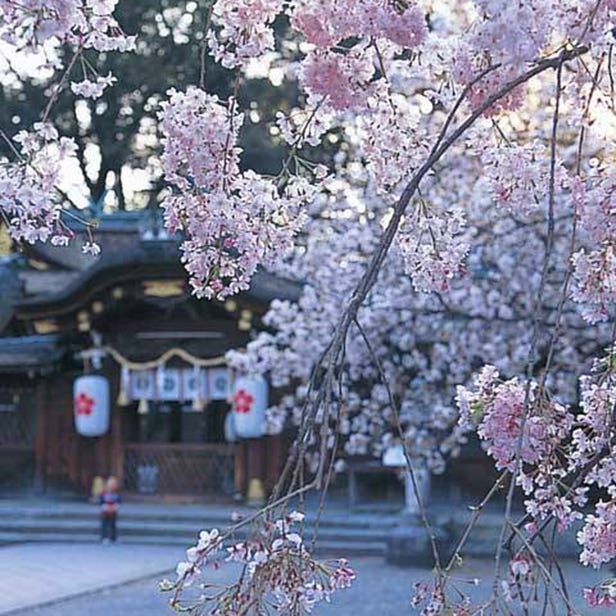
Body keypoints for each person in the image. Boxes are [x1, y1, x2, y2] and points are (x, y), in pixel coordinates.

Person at [99, 476, 120, 543]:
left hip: (113, 511)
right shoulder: (104, 493)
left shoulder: (116, 493)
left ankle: (113, 538)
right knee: (104, 525)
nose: (112, 486)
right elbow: (101, 502)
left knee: (113, 525)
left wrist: (114, 507)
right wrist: (106, 507)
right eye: (110, 484)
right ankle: (104, 537)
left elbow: (118, 501)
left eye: (114, 484)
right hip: (105, 511)